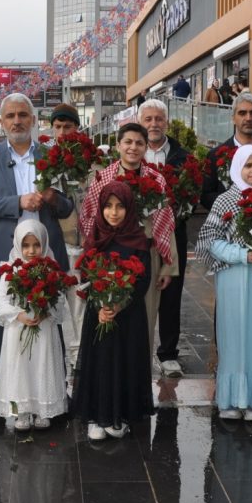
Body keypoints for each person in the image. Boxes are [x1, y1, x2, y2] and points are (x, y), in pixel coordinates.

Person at [0, 93, 75, 415]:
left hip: (45, 253)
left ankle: (55, 389)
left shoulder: (52, 156)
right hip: (3, 252)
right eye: (11, 116)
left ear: (33, 120)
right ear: (2, 121)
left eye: (23, 115)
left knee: (50, 320)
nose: (17, 121)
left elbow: (67, 206)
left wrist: (52, 198)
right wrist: (17, 202)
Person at [194, 145, 252, 421]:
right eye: (248, 165)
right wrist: (242, 254)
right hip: (234, 277)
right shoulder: (225, 200)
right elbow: (209, 240)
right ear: (237, 168)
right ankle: (230, 399)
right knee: (233, 334)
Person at [78, 122, 177, 361]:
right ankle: (107, 374)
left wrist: (168, 266)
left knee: (143, 319)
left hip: (146, 256)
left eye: (139, 143)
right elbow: (89, 218)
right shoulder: (103, 178)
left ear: (146, 147)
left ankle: (139, 376)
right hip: (110, 258)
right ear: (118, 145)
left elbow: (166, 223)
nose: (133, 147)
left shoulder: (156, 179)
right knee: (108, 315)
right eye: (128, 142)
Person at [72, 182, 154, 441]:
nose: (114, 212)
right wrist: (101, 306)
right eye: (108, 206)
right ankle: (97, 416)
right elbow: (86, 276)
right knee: (101, 362)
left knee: (124, 361)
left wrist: (118, 304)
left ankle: (120, 415)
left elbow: (143, 280)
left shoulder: (138, 240)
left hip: (129, 315)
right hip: (99, 314)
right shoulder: (95, 238)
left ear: (129, 208)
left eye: (120, 206)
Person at [0, 220, 68, 430]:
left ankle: (42, 410)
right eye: (25, 245)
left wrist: (46, 311)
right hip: (18, 330)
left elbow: (59, 297)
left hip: (43, 330)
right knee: (19, 371)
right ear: (18, 245)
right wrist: (18, 314)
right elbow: (1, 299)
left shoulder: (50, 269)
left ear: (44, 244)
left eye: (36, 245)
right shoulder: (11, 270)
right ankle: (19, 412)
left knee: (41, 368)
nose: (31, 251)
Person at [140, 100, 191, 377]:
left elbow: (193, 191)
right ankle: (139, 349)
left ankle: (168, 353)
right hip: (141, 237)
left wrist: (181, 208)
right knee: (140, 292)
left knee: (171, 294)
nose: (154, 124)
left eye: (159, 119)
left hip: (174, 234)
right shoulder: (133, 151)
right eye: (148, 119)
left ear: (167, 122)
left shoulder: (183, 157)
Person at [46, 104, 88, 371]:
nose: (62, 132)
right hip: (52, 243)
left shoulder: (89, 159)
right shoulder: (45, 160)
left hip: (82, 244)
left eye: (68, 127)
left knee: (79, 303)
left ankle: (80, 357)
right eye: (58, 127)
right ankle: (53, 358)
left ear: (77, 128)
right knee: (52, 304)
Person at [201, 91, 252, 211]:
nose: (248, 118)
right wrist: (233, 208)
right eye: (242, 113)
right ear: (233, 118)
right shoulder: (215, 155)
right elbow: (206, 195)